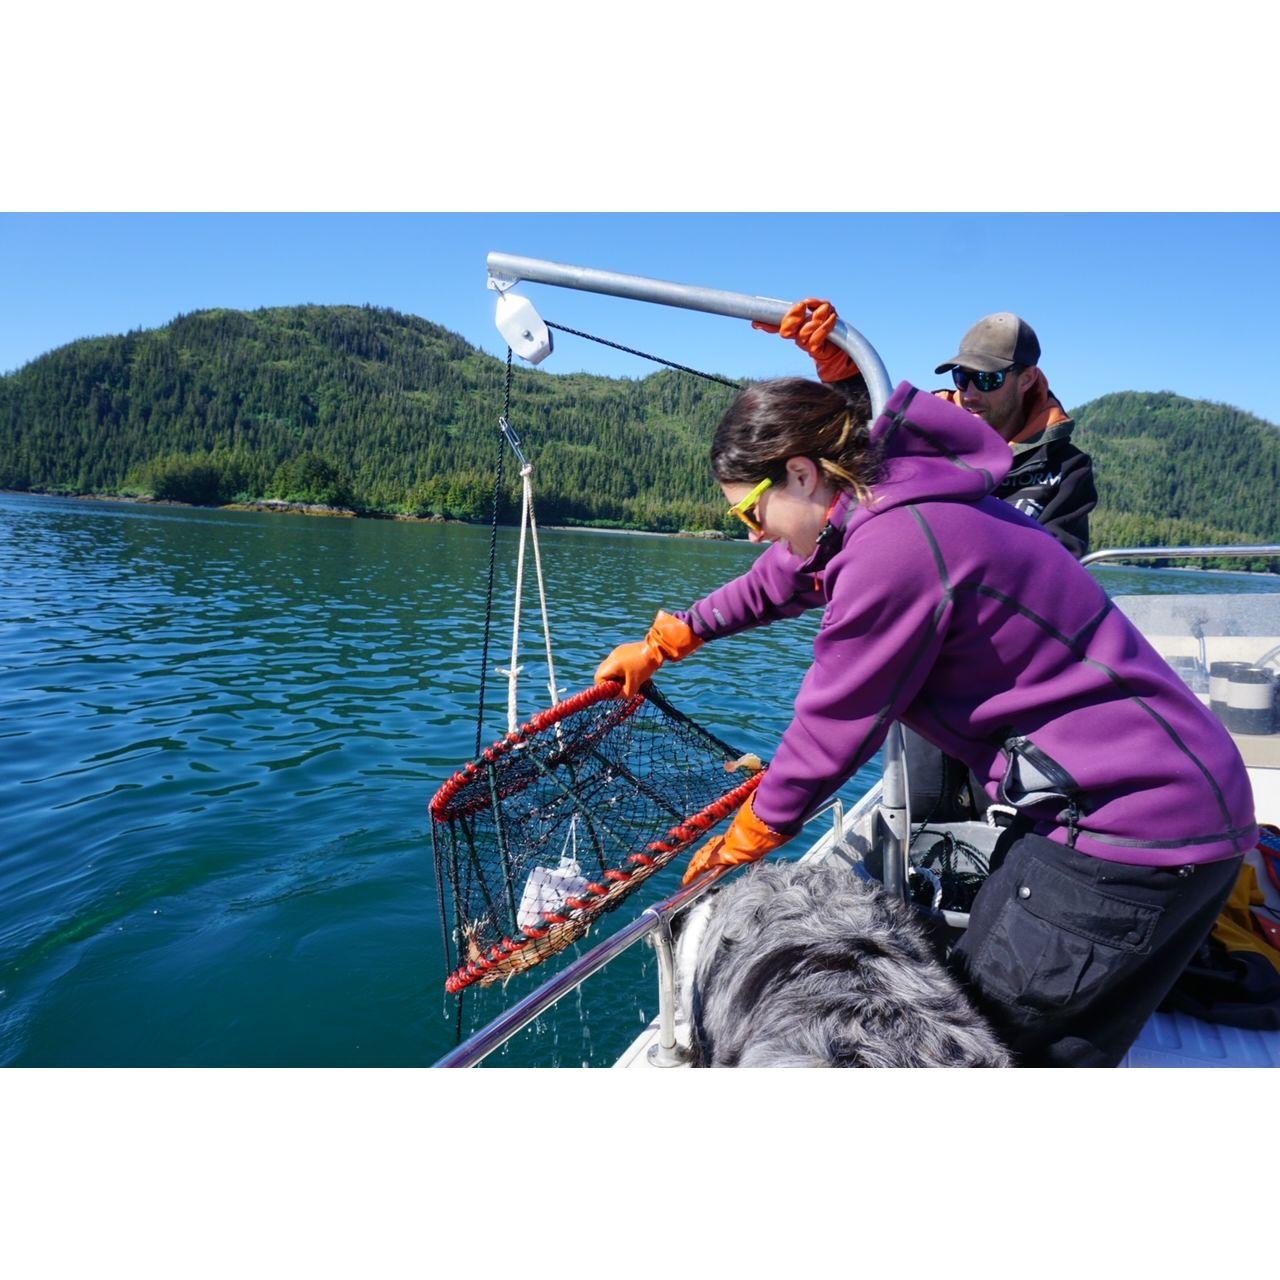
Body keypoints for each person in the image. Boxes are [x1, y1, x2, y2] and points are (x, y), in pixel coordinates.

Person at [594, 375, 1255, 1067]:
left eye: (750, 512)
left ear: (801, 472)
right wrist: (674, 636)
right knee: (1004, 1015)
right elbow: (787, 573)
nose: (753, 531)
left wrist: (744, 841)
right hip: (1157, 810)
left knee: (976, 1048)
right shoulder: (900, 500)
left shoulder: (895, 550)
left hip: (1131, 829)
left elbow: (833, 724)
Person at [763, 299, 1098, 822]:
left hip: (1002, 678)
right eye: (962, 377)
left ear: (1028, 379)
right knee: (922, 807)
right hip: (922, 663)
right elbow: (864, 432)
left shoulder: (1065, 468)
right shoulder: (932, 428)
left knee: (1007, 808)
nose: (967, 392)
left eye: (986, 381)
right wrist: (839, 367)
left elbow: (1053, 563)